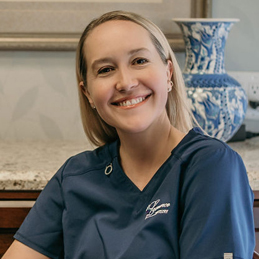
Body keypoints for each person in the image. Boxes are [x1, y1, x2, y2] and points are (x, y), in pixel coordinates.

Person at [3, 10, 255, 259]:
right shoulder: (74, 176)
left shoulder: (211, 166)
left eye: (139, 61)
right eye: (105, 69)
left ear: (168, 74)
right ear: (88, 93)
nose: (125, 82)